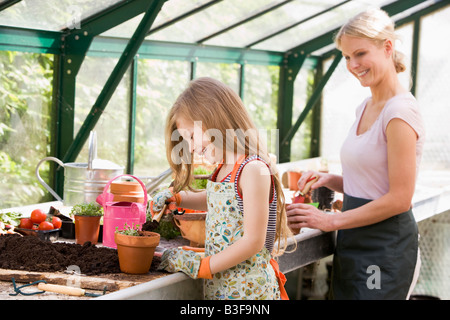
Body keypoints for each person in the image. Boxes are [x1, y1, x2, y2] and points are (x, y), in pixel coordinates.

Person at [286, 8, 424, 300]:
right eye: (347, 57)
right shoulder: (365, 106)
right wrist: (330, 179)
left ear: (387, 48)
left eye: (360, 54)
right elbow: (370, 183)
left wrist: (330, 221)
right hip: (354, 238)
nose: (353, 65)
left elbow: (400, 198)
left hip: (384, 245)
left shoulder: (399, 112)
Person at [154, 77, 293, 300]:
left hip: (250, 292)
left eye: (190, 136)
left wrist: (203, 266)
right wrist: (177, 198)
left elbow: (253, 241)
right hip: (222, 289)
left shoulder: (253, 169)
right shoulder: (223, 169)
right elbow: (216, 199)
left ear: (213, 117)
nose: (191, 148)